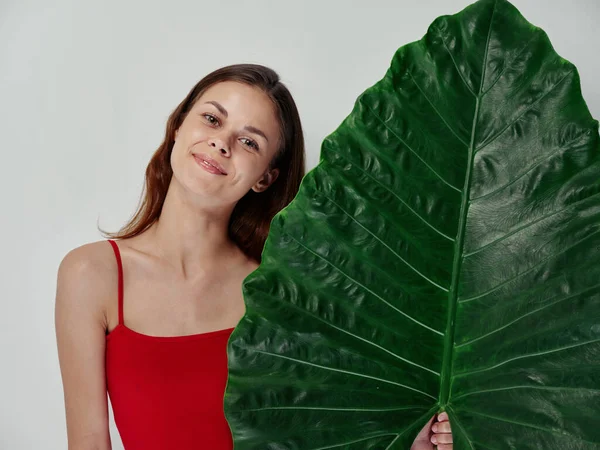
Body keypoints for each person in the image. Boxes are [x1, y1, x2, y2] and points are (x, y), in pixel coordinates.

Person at [54, 63, 453, 449]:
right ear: (178, 125)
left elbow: (317, 433)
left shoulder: (280, 291)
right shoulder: (92, 274)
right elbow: (88, 442)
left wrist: (409, 443)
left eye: (249, 142)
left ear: (266, 177)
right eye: (212, 119)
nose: (221, 143)